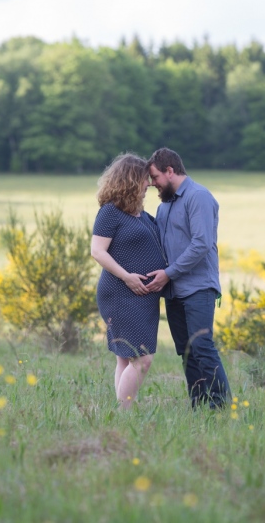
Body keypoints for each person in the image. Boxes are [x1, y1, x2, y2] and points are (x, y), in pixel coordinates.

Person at [146, 147, 231, 409]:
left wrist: (168, 273)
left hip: (198, 288)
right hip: (173, 291)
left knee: (202, 346)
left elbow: (201, 243)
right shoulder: (164, 207)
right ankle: (199, 406)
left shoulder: (199, 197)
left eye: (156, 178)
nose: (153, 185)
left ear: (170, 171)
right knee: (185, 351)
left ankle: (221, 407)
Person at [91, 153, 167, 409]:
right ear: (131, 180)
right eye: (145, 179)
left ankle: (121, 414)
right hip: (120, 293)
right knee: (143, 359)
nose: (149, 184)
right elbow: (97, 251)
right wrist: (127, 277)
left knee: (126, 359)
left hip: (143, 297)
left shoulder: (140, 214)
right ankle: (124, 411)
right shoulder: (110, 212)